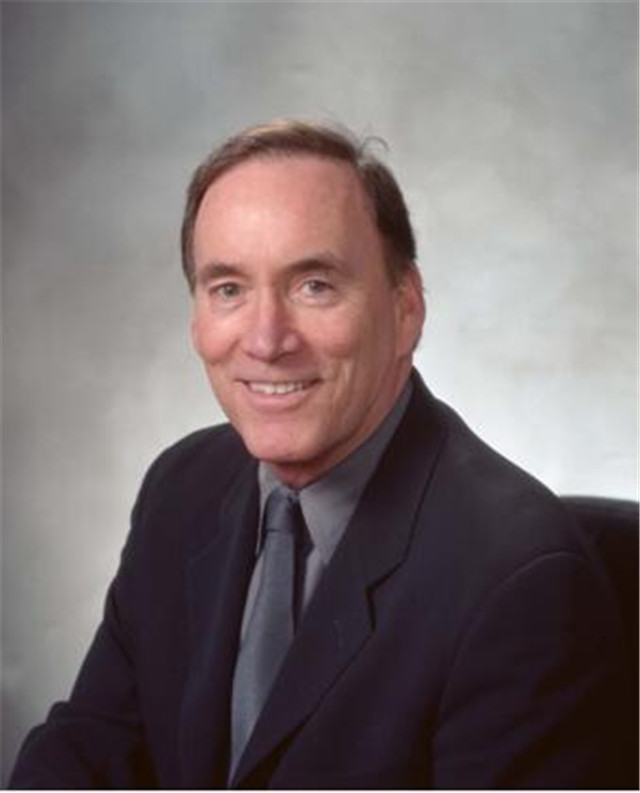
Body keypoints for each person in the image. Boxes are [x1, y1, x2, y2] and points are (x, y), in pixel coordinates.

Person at [10, 120, 633, 789]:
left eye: (314, 285)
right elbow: (85, 754)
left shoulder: (521, 581)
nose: (266, 339)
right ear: (196, 317)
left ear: (406, 308)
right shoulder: (182, 487)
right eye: (229, 289)